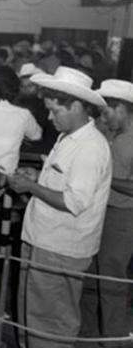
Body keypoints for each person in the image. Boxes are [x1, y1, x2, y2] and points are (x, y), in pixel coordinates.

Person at [8, 66, 112, 348]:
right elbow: (63, 181)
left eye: (55, 111)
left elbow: (74, 202)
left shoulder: (90, 147)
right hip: (44, 240)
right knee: (33, 317)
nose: (50, 117)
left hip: (60, 247)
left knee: (50, 324)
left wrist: (32, 188)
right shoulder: (68, 137)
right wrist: (39, 177)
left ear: (77, 105)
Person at [89, 79, 133, 347]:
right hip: (108, 213)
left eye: (107, 112)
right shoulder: (118, 137)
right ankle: (101, 332)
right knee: (100, 277)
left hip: (122, 218)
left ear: (122, 108)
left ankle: (114, 339)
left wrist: (104, 177)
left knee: (111, 280)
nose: (104, 119)